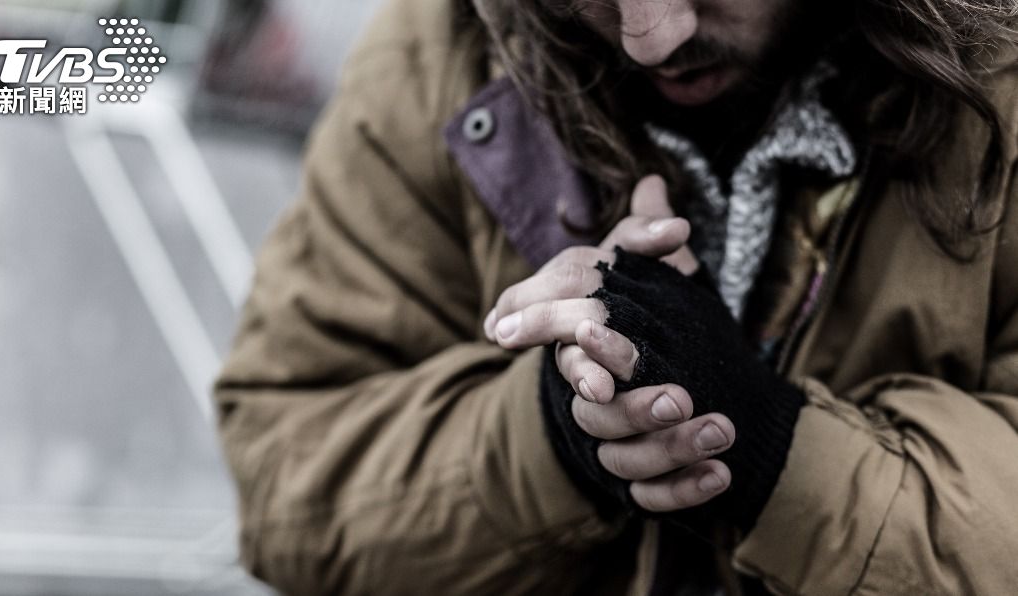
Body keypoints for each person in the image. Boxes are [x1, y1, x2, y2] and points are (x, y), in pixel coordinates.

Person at [213, 0, 1018, 593]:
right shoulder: (436, 54)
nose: (653, 36)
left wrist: (774, 450)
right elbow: (286, 477)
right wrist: (556, 435)